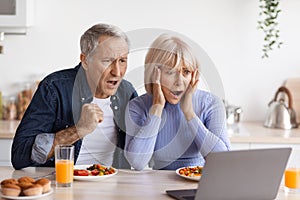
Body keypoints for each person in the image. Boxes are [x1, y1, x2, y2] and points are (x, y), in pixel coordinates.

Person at [11, 23, 137, 170]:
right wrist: (78, 130)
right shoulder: (54, 88)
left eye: (122, 61)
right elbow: (20, 155)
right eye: (107, 61)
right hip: (63, 183)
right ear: (85, 60)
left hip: (113, 184)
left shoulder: (127, 92)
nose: (117, 72)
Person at [124, 33, 231, 170]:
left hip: (200, 183)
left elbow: (223, 160)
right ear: (154, 74)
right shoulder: (138, 106)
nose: (179, 82)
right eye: (170, 72)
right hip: (158, 184)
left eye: (186, 72)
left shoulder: (211, 104)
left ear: (194, 75)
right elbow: (137, 162)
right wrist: (156, 108)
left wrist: (189, 113)